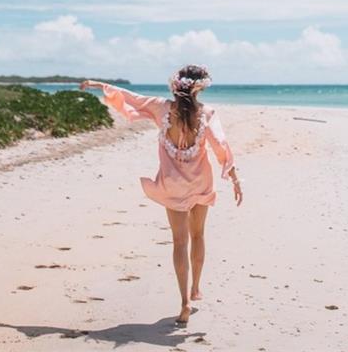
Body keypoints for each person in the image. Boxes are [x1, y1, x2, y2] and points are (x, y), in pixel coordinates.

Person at [80, 64, 243, 326]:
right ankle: (196, 288)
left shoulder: (161, 108)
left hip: (173, 183)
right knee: (198, 235)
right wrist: (234, 177)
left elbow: (131, 99)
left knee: (179, 242)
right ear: (201, 87)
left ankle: (184, 302)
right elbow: (220, 145)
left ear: (175, 86)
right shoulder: (207, 113)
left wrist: (100, 86)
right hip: (201, 180)